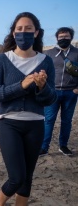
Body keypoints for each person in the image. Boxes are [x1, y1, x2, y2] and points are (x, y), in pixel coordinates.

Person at [0, 12, 57, 206]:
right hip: (9, 123)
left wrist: (43, 87)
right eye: (19, 29)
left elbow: (50, 100)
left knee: (27, 177)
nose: (23, 33)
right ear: (13, 32)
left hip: (35, 124)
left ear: (36, 33)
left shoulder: (46, 61)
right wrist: (22, 85)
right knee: (16, 177)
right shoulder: (2, 60)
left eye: (28, 29)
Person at [40, 27, 78, 156]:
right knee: (49, 120)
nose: (63, 39)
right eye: (61, 37)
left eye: (66, 36)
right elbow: (42, 71)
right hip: (53, 92)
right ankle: (44, 147)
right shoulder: (49, 53)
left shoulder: (76, 53)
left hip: (71, 93)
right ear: (57, 38)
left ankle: (63, 146)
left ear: (71, 37)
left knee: (66, 121)